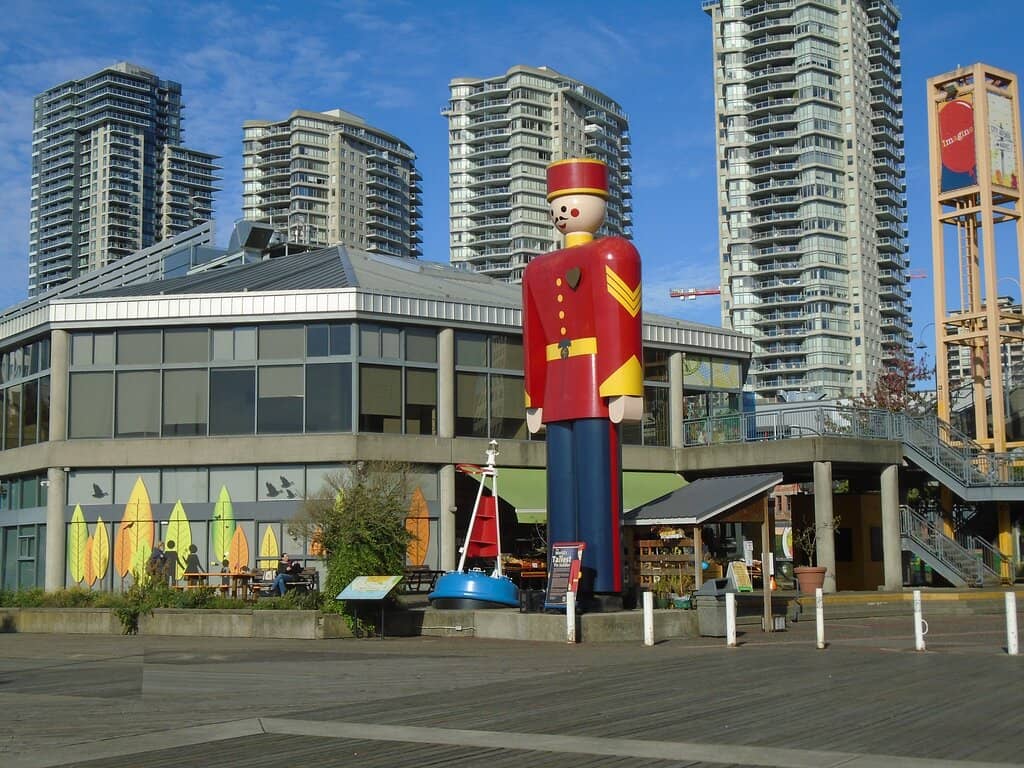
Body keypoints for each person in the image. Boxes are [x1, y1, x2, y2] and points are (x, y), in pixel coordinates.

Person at [521, 158, 643, 600]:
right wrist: (533, 395)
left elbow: (621, 317)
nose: (562, 212)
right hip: (557, 380)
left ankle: (603, 582)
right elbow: (533, 332)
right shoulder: (537, 269)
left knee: (596, 479)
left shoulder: (614, 253)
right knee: (561, 485)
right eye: (556, 204)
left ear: (596, 204)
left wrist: (625, 386)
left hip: (596, 379)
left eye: (570, 203)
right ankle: (564, 583)